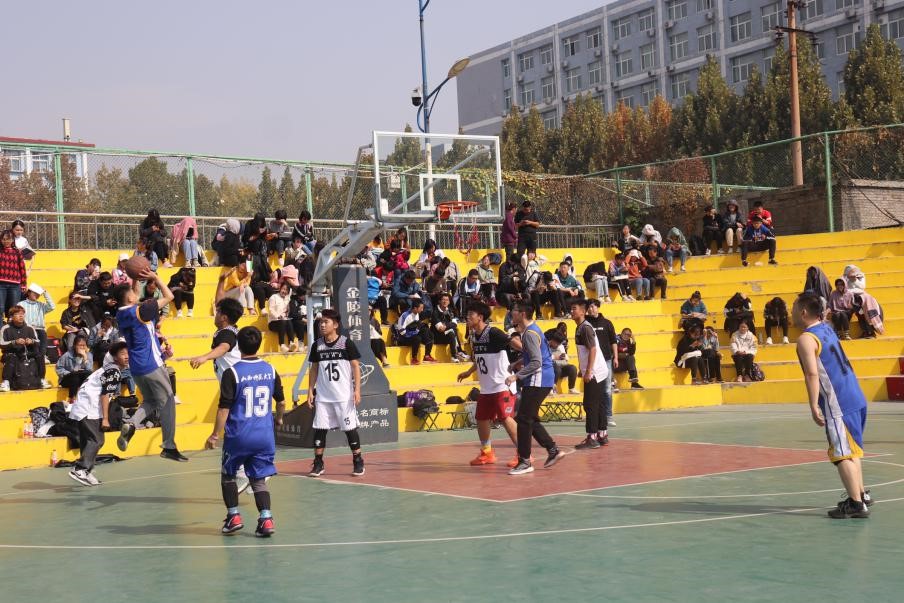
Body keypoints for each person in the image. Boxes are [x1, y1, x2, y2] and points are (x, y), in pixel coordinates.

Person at [793, 293, 871, 518]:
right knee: (851, 450)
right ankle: (860, 494)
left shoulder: (806, 339)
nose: (791, 312)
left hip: (838, 403)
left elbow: (812, 373)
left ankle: (856, 505)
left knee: (841, 455)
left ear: (803, 312)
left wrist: (813, 405)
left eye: (793, 308)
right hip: (855, 396)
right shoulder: (827, 329)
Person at [206, 326, 285, 536]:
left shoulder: (232, 373)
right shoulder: (271, 370)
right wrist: (279, 419)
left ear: (238, 346)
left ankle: (233, 516)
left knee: (228, 475)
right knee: (258, 480)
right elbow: (281, 402)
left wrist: (215, 435)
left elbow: (224, 409)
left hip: (239, 436)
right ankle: (266, 519)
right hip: (264, 436)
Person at [113, 269, 187, 461]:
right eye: (132, 291)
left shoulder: (121, 313)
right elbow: (169, 296)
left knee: (151, 401)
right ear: (130, 298)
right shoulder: (141, 311)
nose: (136, 291)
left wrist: (135, 278)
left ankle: (131, 423)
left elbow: (135, 293)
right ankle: (169, 446)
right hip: (151, 365)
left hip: (137, 368)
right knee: (168, 402)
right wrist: (155, 278)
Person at [456, 301, 521, 467]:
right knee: (482, 418)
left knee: (505, 418)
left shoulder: (493, 332)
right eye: (467, 314)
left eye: (470, 315)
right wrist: (469, 372)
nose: (467, 317)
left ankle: (523, 453)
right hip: (486, 387)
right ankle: (487, 453)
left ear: (480, 317)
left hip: (502, 384)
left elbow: (512, 342)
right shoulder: (473, 335)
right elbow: (480, 358)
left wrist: (528, 351)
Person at [504, 302, 564, 475]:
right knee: (528, 417)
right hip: (542, 377)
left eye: (514, 311)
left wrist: (516, 375)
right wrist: (518, 362)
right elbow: (538, 354)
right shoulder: (533, 329)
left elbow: (537, 362)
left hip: (538, 379)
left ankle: (524, 461)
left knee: (523, 419)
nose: (511, 314)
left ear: (522, 314)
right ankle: (553, 450)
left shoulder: (529, 334)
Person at [306, 308, 365, 478]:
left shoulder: (346, 343)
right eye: (321, 322)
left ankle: (358, 460)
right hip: (323, 397)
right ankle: (318, 463)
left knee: (350, 429)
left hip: (343, 397)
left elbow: (355, 367)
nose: (322, 325)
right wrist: (310, 390)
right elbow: (314, 368)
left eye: (326, 322)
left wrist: (357, 390)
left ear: (336, 325)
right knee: (320, 429)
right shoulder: (317, 345)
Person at [67, 341, 130, 487]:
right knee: (97, 440)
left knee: (87, 441)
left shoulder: (109, 368)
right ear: (115, 357)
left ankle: (86, 471)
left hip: (83, 407)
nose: (127, 356)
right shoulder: (114, 372)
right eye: (122, 354)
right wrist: (105, 419)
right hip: (89, 408)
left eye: (128, 353)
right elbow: (105, 395)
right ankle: (80, 469)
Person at [571, 299, 610, 448]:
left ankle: (592, 437)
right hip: (598, 370)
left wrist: (588, 371)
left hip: (595, 372)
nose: (571, 311)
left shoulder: (585, 328)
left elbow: (592, 349)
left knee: (590, 404)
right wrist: (583, 369)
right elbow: (585, 351)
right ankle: (602, 434)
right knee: (598, 403)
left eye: (574, 309)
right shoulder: (582, 327)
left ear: (583, 311)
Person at [0, 305, 52, 391]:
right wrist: (14, 342)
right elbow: (1, 343)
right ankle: (6, 382)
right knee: (11, 356)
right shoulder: (5, 328)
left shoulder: (29, 327)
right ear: (11, 317)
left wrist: (31, 341)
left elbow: (38, 342)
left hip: (27, 353)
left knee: (40, 355)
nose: (21, 316)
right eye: (17, 314)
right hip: (11, 354)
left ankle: (41, 379)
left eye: (22, 314)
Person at [587, 298, 618, 424]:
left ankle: (608, 416)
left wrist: (616, 357)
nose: (590, 309)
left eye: (593, 306)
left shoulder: (607, 323)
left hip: (606, 360)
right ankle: (593, 416)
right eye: (588, 307)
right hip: (591, 361)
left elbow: (613, 341)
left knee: (606, 389)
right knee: (592, 390)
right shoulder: (586, 324)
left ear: (598, 307)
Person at [395, 298, 434, 365]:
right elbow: (401, 331)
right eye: (421, 308)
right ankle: (414, 358)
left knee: (428, 333)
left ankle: (427, 355)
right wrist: (414, 333)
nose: (422, 310)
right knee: (417, 338)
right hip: (404, 337)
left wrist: (417, 330)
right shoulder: (405, 316)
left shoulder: (417, 314)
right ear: (415, 308)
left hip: (412, 334)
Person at [20, 283, 53, 360]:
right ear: (29, 292)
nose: (37, 295)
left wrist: (45, 293)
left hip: (40, 329)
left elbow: (52, 306)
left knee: (42, 334)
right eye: (35, 293)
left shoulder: (41, 305)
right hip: (27, 328)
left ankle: (42, 357)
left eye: (38, 293)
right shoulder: (21, 304)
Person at [56, 335, 94, 402]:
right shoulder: (67, 355)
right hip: (67, 379)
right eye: (80, 345)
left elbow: (89, 370)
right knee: (75, 377)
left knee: (87, 375)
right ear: (74, 346)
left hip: (81, 378)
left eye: (84, 345)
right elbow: (59, 368)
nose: (82, 347)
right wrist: (69, 373)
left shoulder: (89, 355)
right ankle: (72, 399)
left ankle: (87, 399)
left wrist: (85, 358)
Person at [0, 229, 27, 320]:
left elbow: (22, 269)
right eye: (3, 239)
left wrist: (23, 284)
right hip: (1, 285)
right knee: (0, 308)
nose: (6, 241)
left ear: (12, 240)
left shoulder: (17, 252)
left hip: (15, 285)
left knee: (13, 309)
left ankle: (11, 327)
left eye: (8, 239)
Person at [432, 293, 466, 362]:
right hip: (437, 337)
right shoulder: (435, 312)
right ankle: (458, 352)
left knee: (453, 330)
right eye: (443, 300)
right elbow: (440, 329)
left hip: (449, 336)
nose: (445, 302)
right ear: (439, 301)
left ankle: (455, 355)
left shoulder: (450, 311)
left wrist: (446, 326)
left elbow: (455, 324)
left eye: (447, 300)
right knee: (452, 331)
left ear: (449, 302)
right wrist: (450, 325)